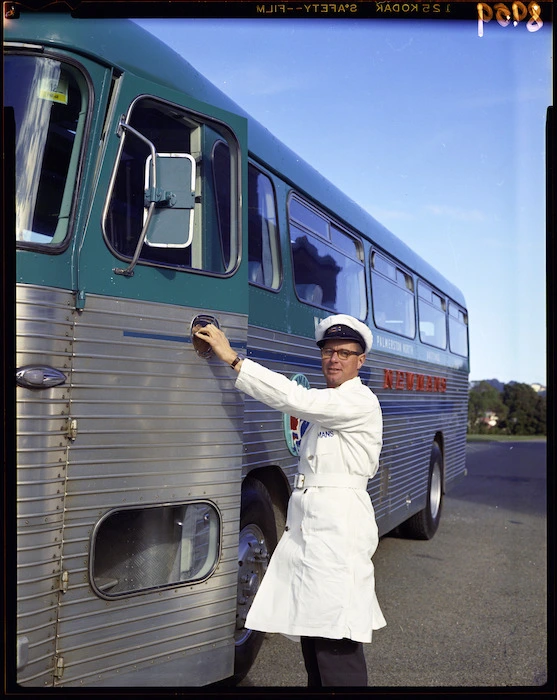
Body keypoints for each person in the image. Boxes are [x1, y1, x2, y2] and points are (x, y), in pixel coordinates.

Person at [195, 314, 386, 687]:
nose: (334, 358)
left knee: (336, 642)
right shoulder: (332, 403)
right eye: (328, 351)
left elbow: (293, 398)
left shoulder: (358, 401)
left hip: (338, 534)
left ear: (360, 361)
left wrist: (233, 359)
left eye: (345, 353)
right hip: (313, 535)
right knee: (315, 639)